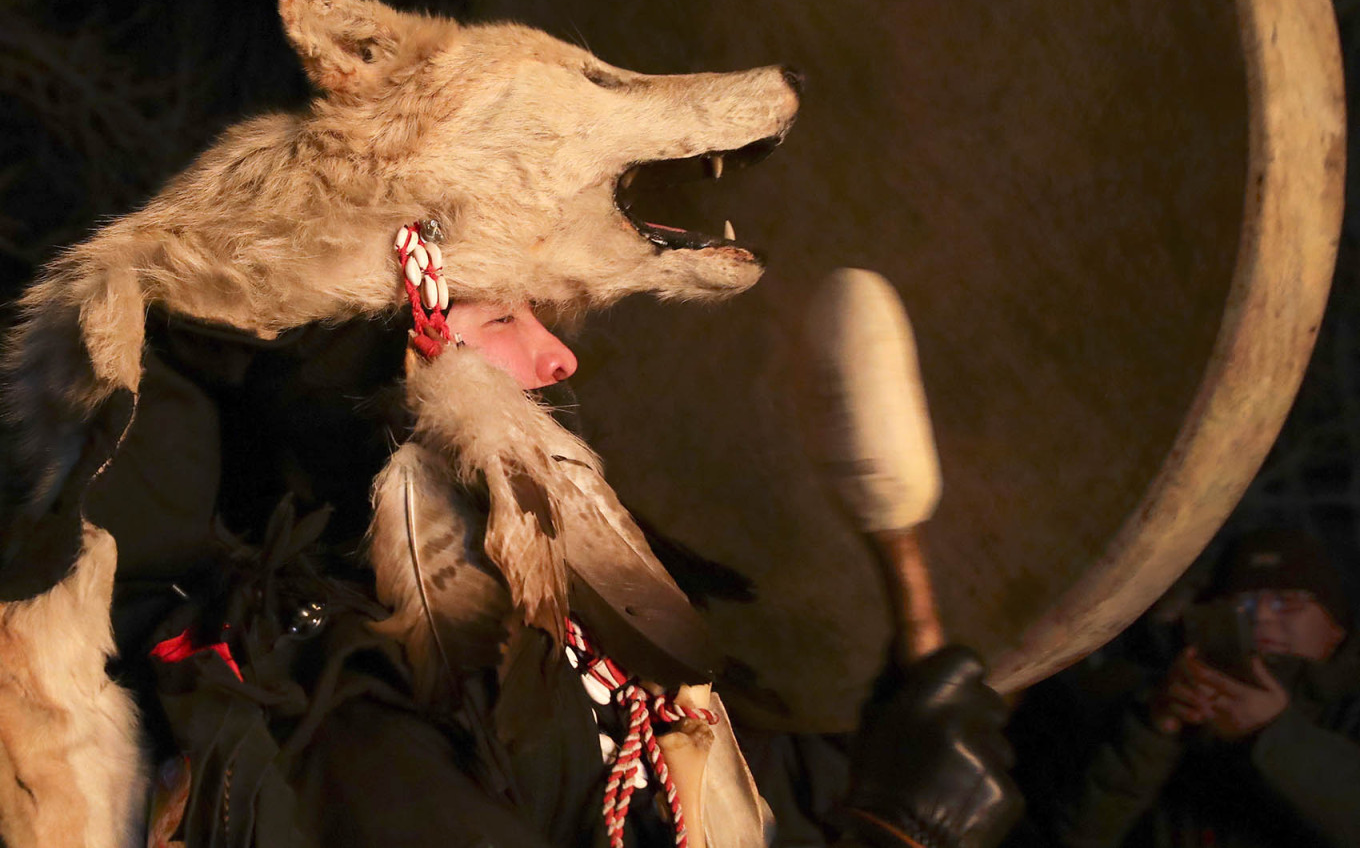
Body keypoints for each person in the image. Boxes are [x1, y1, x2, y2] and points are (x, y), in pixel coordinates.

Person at [1, 276, 1020, 847]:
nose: (562, 358)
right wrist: (898, 832)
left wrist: (879, 753)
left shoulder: (615, 640)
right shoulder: (343, 705)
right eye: (505, 317)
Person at [1047, 527, 1360, 848]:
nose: (1262, 617)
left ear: (1337, 628)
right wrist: (1153, 731)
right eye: (1244, 605)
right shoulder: (1169, 701)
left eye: (1288, 602)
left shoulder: (1350, 710)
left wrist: (1273, 735)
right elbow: (1078, 835)